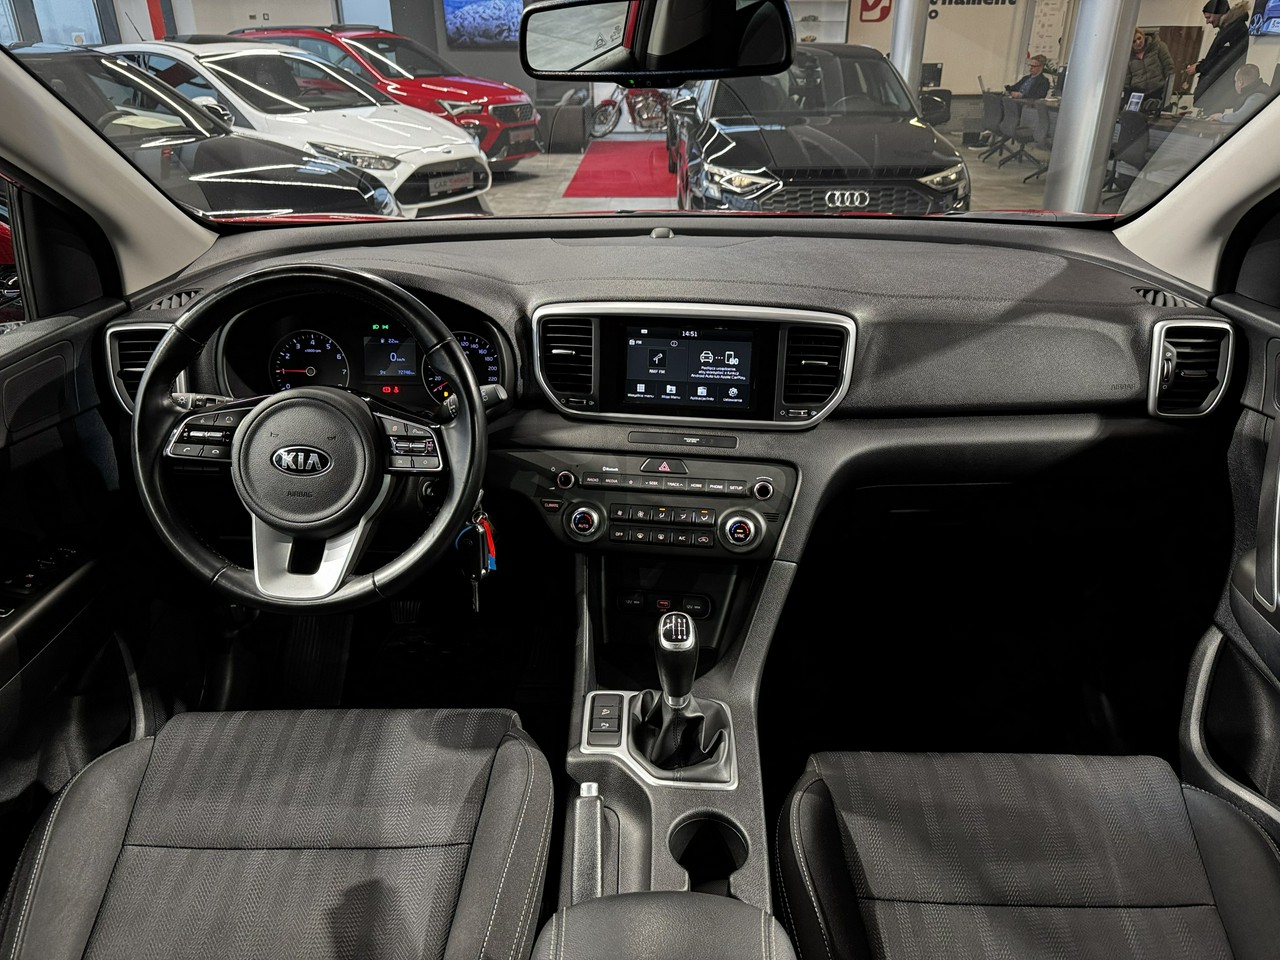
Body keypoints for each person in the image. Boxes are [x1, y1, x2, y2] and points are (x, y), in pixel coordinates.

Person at [1187, 0, 1251, 115]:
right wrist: (1200, 65)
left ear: (1219, 13)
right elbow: (1219, 56)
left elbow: (1221, 61)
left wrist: (1199, 67)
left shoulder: (1234, 30)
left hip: (1219, 92)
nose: (1207, 22)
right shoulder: (1231, 28)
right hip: (1218, 91)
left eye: (1209, 17)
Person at [1207, 62, 1272, 123]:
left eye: (1236, 81)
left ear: (1240, 82)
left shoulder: (1257, 97)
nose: (1235, 84)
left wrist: (1219, 117)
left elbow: (1238, 118)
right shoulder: (1254, 92)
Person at [1126, 28, 1174, 99]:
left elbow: (1169, 68)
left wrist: (1168, 91)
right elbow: (1127, 79)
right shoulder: (1127, 56)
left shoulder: (1159, 46)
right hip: (1138, 94)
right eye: (1134, 41)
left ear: (1143, 36)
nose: (1138, 42)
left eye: (1139, 38)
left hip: (1159, 90)